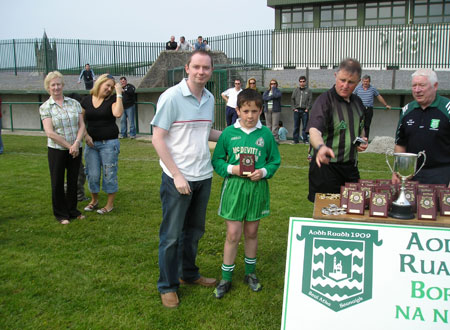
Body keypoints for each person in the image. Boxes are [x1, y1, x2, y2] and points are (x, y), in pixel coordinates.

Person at [151, 50, 222, 308]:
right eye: (197, 67)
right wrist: (178, 175)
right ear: (187, 68)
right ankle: (167, 286)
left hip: (203, 175)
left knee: (194, 232)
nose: (201, 72)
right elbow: (157, 138)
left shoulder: (209, 97)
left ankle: (188, 275)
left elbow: (205, 131)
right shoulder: (171, 97)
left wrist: (235, 135)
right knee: (171, 236)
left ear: (211, 71)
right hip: (177, 179)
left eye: (206, 68)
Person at [211, 88, 281, 299]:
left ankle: (250, 273)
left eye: (254, 111)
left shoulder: (266, 134)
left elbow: (274, 161)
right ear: (238, 110)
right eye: (245, 111)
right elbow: (217, 160)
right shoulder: (228, 134)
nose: (250, 116)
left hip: (256, 189)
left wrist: (264, 171)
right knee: (233, 234)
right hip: (234, 188)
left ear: (260, 111)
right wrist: (233, 169)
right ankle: (226, 277)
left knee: (251, 232)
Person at [306, 58, 368, 202]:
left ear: (358, 82)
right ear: (335, 76)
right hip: (326, 168)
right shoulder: (324, 101)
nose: (345, 85)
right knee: (326, 214)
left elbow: (360, 128)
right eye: (342, 80)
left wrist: (362, 140)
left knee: (354, 211)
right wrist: (321, 147)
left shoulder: (358, 103)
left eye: (351, 82)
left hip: (350, 168)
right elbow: (314, 130)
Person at [39, 71, 86, 224]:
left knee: (73, 180)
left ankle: (73, 210)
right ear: (48, 87)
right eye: (53, 85)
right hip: (57, 150)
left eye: (58, 84)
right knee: (57, 182)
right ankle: (61, 214)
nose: (56, 87)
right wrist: (68, 146)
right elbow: (50, 132)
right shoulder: (46, 107)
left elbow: (82, 125)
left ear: (63, 85)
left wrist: (77, 143)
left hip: (75, 147)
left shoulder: (74, 103)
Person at [392, 69, 450, 186]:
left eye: (422, 85)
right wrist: (397, 171)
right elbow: (400, 144)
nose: (417, 90)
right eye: (414, 86)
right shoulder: (407, 110)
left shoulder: (447, 109)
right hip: (411, 175)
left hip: (441, 174)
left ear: (435, 86)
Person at [81, 74, 124, 215]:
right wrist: (86, 135)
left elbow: (117, 113)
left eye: (111, 87)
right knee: (92, 174)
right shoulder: (86, 100)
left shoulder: (112, 99)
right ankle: (94, 201)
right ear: (100, 83)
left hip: (109, 144)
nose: (109, 89)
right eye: (107, 85)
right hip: (91, 144)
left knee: (109, 173)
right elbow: (80, 121)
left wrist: (118, 94)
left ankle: (109, 205)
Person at [353, 75, 391, 140]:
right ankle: (358, 140)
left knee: (367, 125)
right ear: (362, 81)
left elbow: (379, 96)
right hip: (360, 108)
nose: (365, 83)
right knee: (359, 125)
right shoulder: (357, 88)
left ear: (369, 82)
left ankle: (365, 141)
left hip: (369, 109)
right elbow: (352, 97)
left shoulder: (373, 89)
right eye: (364, 81)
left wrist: (385, 105)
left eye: (367, 81)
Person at [291, 76, 312, 144]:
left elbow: (310, 100)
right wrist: (294, 108)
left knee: (305, 126)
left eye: (303, 81)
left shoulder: (308, 91)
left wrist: (307, 109)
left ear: (305, 82)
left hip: (304, 111)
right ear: (299, 82)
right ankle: (295, 140)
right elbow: (292, 99)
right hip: (297, 110)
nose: (302, 83)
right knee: (296, 126)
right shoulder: (295, 90)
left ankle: (305, 140)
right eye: (301, 81)